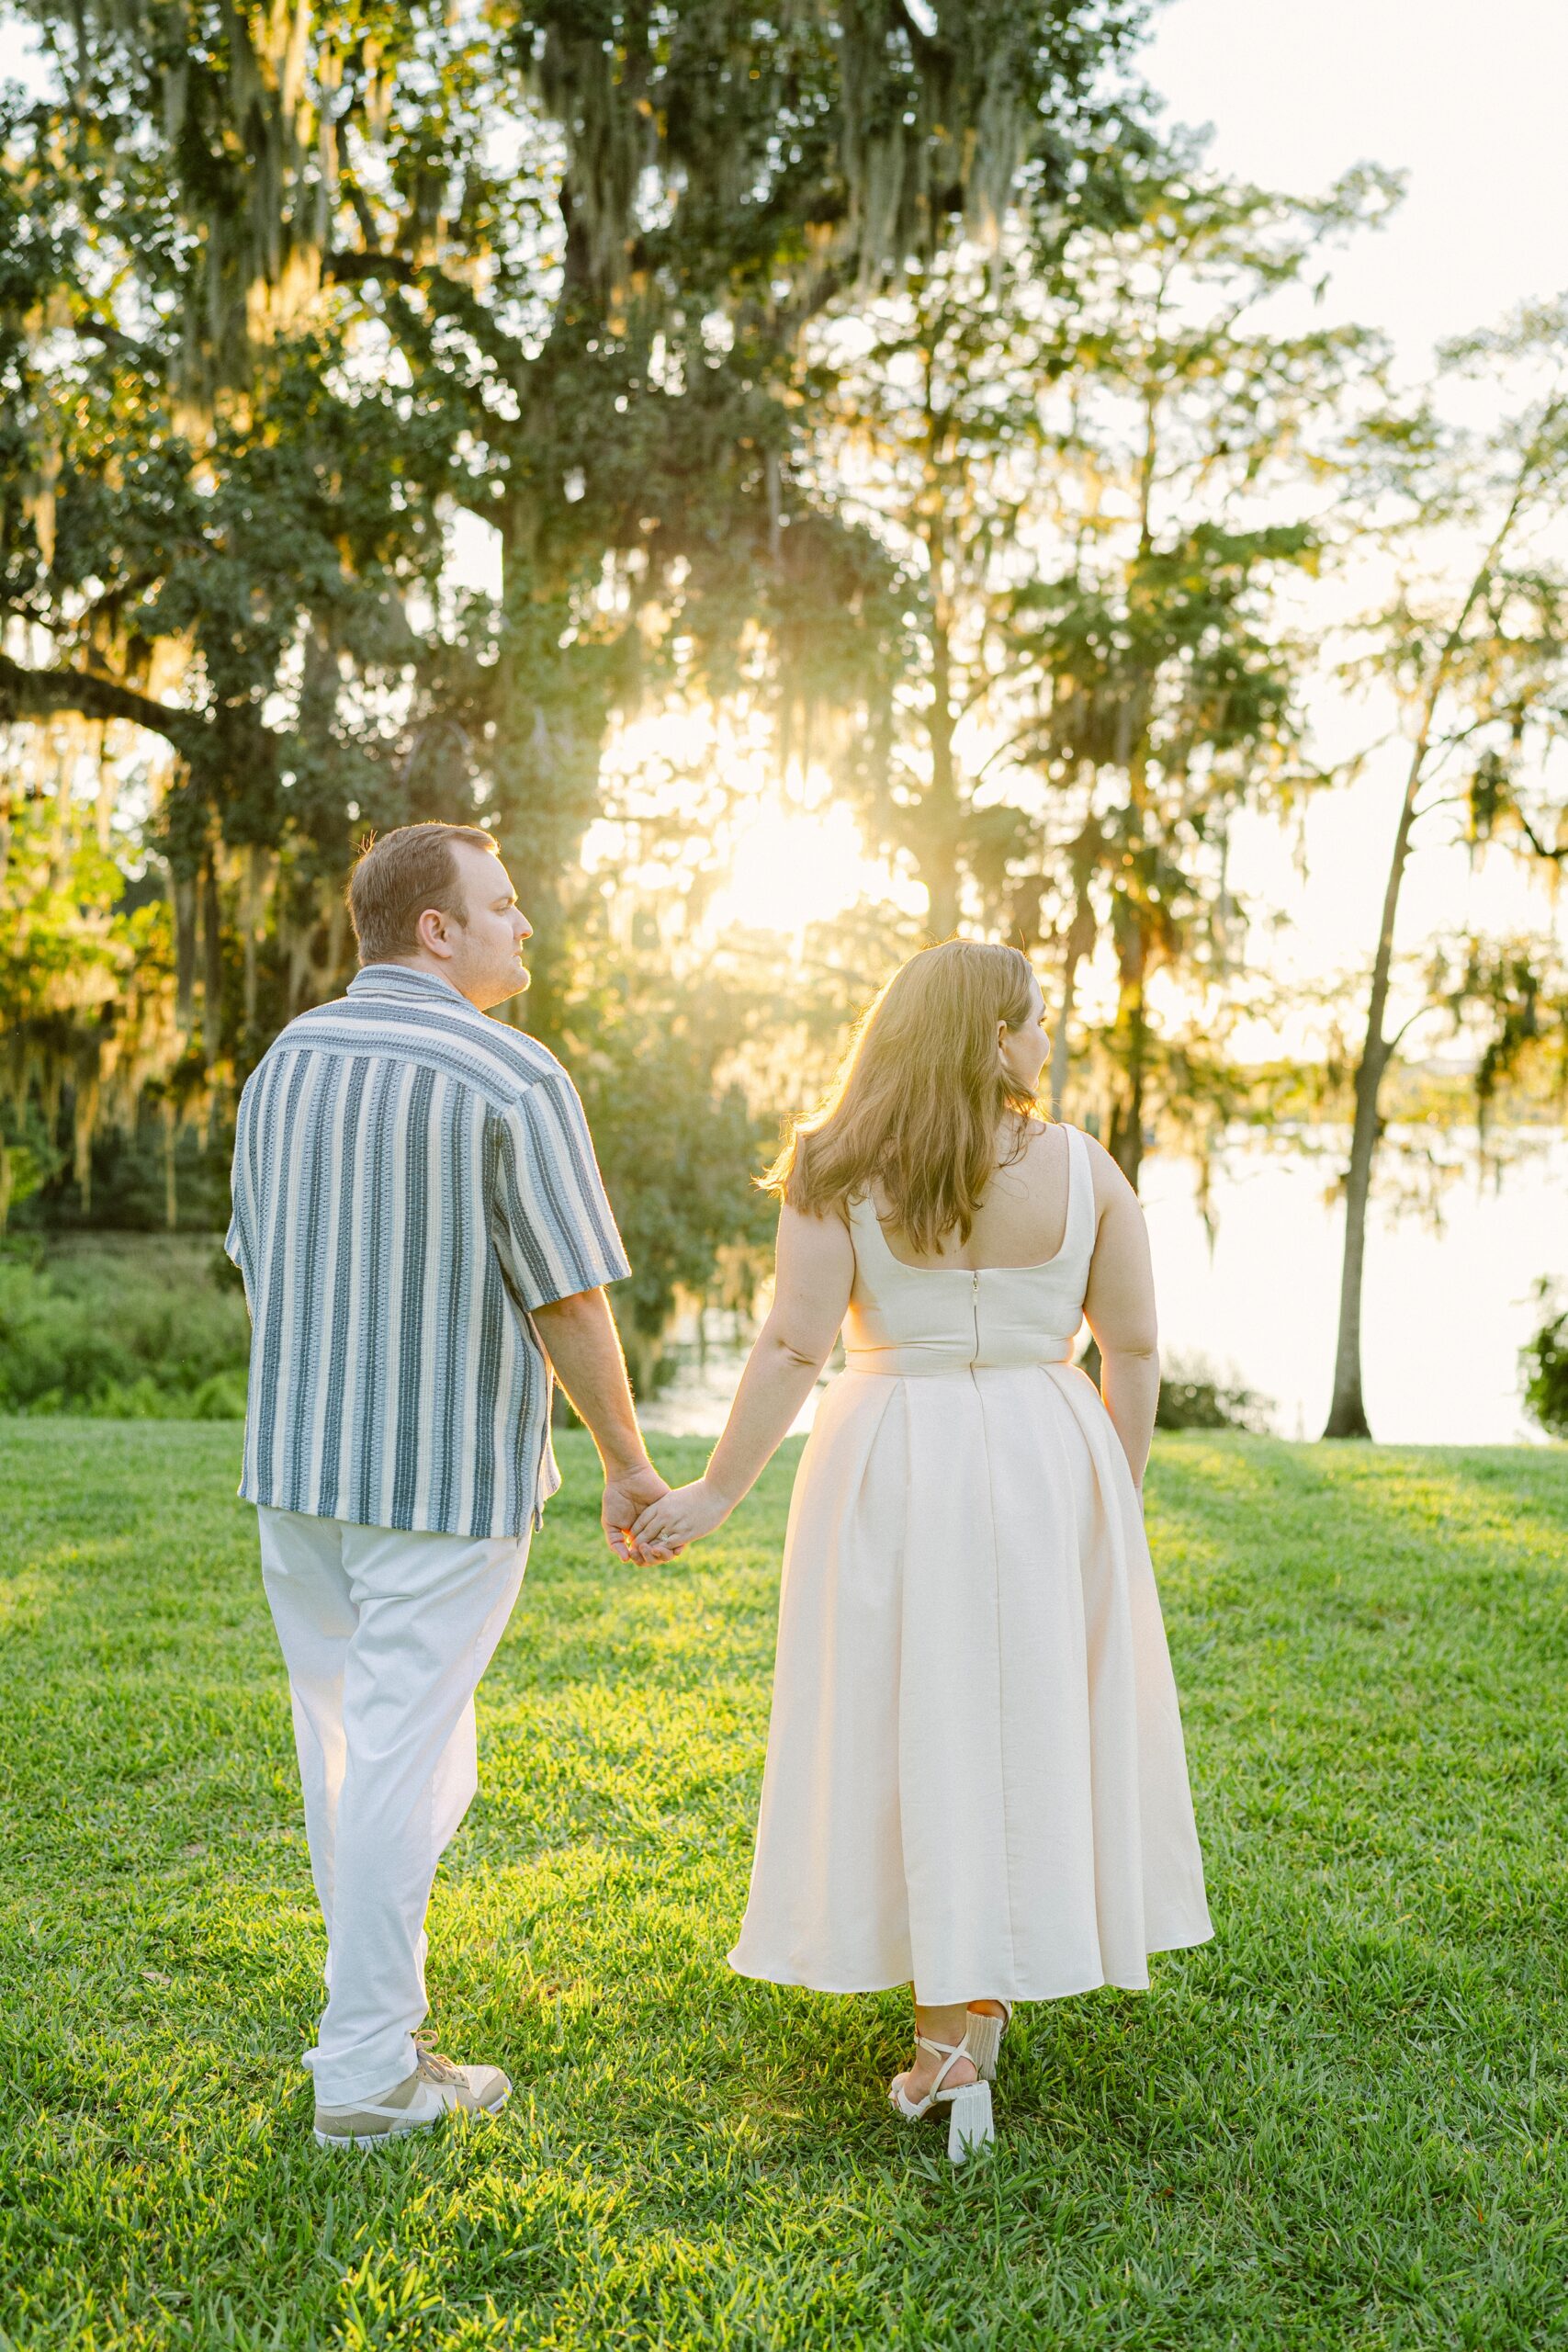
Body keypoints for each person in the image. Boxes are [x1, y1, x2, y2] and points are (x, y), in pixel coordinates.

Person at [630, 940, 1213, 2162]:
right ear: (989, 1038)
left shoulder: (837, 1168)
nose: (1046, 1040)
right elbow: (1137, 1347)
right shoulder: (1087, 1168)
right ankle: (971, 2013)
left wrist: (718, 1491)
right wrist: (1112, 1486)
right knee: (1025, 1715)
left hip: (894, 1450)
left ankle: (950, 2042)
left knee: (919, 1715)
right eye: (1033, 1020)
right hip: (1051, 1450)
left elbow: (794, 1347)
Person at [225, 821, 667, 2150]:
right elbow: (571, 1297)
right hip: (440, 1489)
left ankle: (380, 2026)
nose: (523, 925)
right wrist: (629, 1465)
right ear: (436, 928)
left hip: (298, 1479)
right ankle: (363, 2072)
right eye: (503, 905)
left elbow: (258, 1254)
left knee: (355, 1762)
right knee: (401, 1770)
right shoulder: (513, 1075)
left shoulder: (285, 1059)